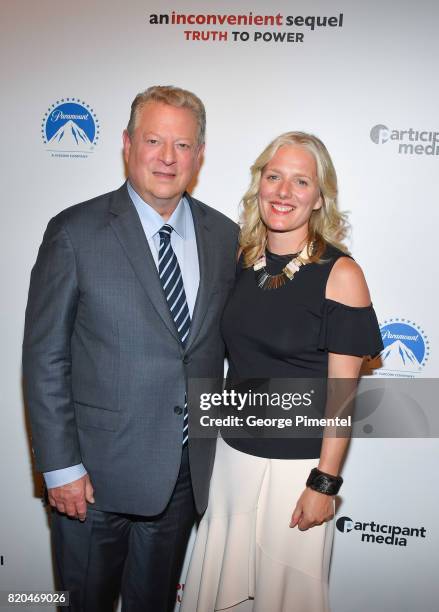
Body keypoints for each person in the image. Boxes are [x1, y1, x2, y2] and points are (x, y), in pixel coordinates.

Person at [22, 85, 238, 612]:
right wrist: (60, 468)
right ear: (126, 144)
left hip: (183, 476)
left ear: (199, 154)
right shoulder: (75, 231)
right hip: (92, 482)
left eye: (182, 145)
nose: (168, 157)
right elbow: (45, 359)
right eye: (154, 140)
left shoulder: (226, 236)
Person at [181, 132, 383, 612]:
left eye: (300, 181)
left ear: (319, 198)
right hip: (231, 462)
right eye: (274, 177)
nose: (284, 191)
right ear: (259, 185)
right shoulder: (240, 260)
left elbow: (343, 397)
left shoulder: (341, 274)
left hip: (296, 474)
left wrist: (324, 484)